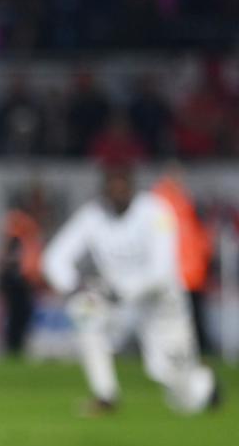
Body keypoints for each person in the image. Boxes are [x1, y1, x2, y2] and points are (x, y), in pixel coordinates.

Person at [42, 162, 220, 415]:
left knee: (175, 385)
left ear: (132, 188)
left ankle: (205, 384)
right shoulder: (92, 216)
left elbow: (162, 273)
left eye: (122, 187)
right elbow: (54, 258)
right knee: (85, 312)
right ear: (103, 190)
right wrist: (73, 287)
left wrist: (120, 291)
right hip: (118, 303)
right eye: (111, 187)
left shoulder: (156, 212)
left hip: (160, 304)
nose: (117, 193)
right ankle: (105, 396)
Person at [153, 168, 214, 356]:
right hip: (178, 270)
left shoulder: (182, 202)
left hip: (190, 270)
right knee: (180, 315)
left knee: (191, 314)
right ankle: (183, 349)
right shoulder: (163, 203)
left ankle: (192, 349)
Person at [0, 190, 45, 357]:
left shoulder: (28, 222)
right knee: (18, 314)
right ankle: (13, 349)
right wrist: (13, 269)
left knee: (22, 315)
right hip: (17, 277)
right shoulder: (21, 220)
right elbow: (13, 244)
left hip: (24, 277)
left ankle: (16, 348)